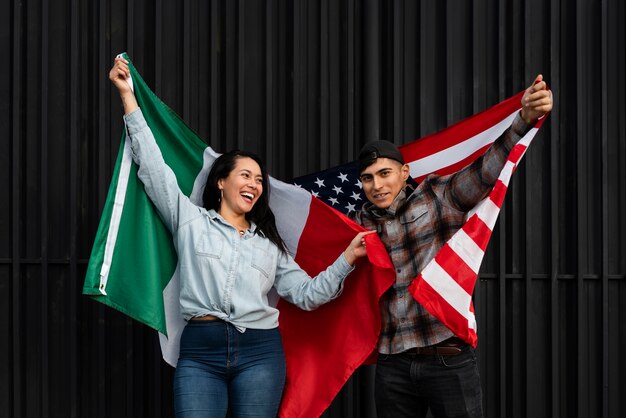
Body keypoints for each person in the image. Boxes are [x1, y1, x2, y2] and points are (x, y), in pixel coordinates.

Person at [109, 57, 374, 418]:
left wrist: (348, 257)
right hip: (200, 350)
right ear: (221, 181)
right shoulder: (190, 221)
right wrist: (128, 98)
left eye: (259, 179)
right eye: (245, 175)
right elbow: (154, 170)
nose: (253, 183)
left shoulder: (269, 245)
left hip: (260, 352)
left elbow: (308, 295)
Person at [351, 76, 553, 418]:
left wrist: (524, 119)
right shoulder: (359, 224)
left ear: (404, 172)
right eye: (368, 178)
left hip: (447, 357)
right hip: (393, 364)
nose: (377, 185)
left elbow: (486, 171)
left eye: (384, 173)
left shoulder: (437, 196)